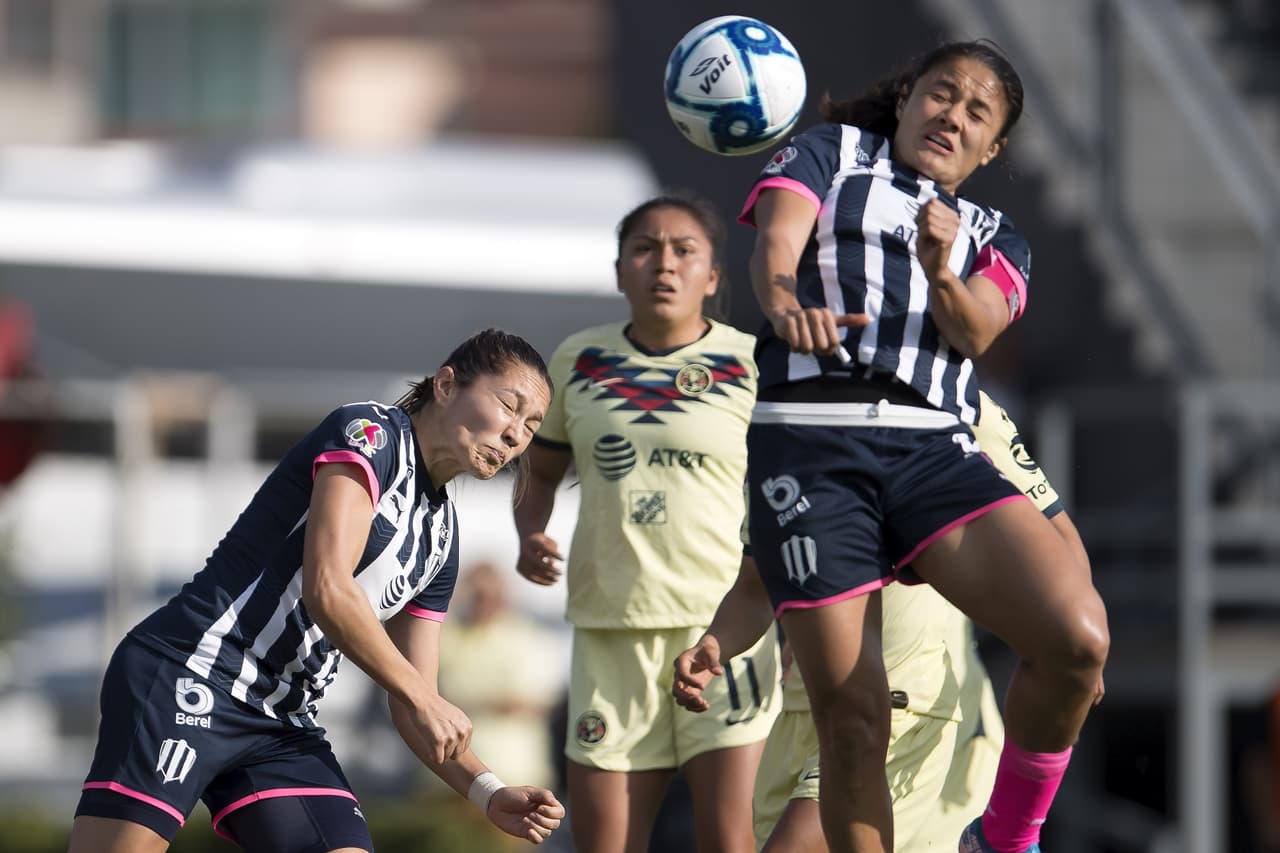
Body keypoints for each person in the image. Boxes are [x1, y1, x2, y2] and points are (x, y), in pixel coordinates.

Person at [738, 41, 1110, 853]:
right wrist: (780, 300)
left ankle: (1005, 841)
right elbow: (778, 244)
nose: (954, 114)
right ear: (908, 99)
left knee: (1078, 638)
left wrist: (943, 270)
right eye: (943, 94)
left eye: (978, 111)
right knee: (853, 721)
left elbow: (974, 328)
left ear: (993, 148)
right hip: (810, 448)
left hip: (930, 446)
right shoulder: (828, 151)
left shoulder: (997, 235)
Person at [68, 329, 566, 853]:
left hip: (281, 722)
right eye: (510, 406)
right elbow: (327, 588)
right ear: (445, 384)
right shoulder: (369, 433)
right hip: (191, 671)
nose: (516, 435)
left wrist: (488, 792)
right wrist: (421, 697)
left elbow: (414, 703)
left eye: (532, 425)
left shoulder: (441, 538)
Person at [674, 392, 1091, 852]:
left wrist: (1071, 648)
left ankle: (1011, 837)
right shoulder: (779, 424)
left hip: (899, 709)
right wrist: (714, 642)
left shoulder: (958, 404)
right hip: (799, 717)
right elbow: (754, 588)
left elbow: (1057, 534)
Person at [514, 195, 781, 853]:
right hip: (610, 633)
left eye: (684, 250)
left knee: (730, 841)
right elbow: (538, 473)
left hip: (725, 631)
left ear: (714, 275)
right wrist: (530, 532)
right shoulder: (578, 359)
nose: (664, 264)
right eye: (645, 248)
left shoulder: (754, 364)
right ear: (619, 270)